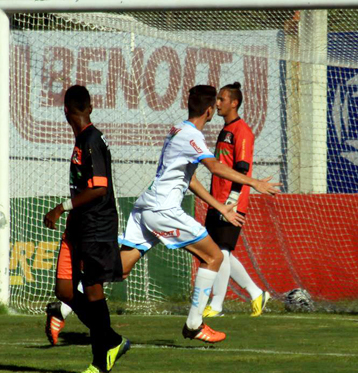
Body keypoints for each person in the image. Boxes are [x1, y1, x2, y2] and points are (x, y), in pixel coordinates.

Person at [47, 85, 280, 345]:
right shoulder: (192, 136)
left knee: (119, 269)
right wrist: (254, 182)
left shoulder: (177, 129)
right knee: (213, 256)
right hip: (163, 210)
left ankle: (63, 308)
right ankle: (194, 324)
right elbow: (214, 168)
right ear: (210, 110)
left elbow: (187, 180)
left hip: (147, 207)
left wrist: (220, 205)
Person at [43, 85, 130, 373]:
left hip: (96, 226)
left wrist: (61, 207)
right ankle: (112, 339)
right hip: (78, 227)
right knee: (65, 290)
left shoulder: (91, 140)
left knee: (93, 291)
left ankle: (100, 362)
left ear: (66, 111)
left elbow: (100, 187)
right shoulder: (83, 139)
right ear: (89, 107)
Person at [201, 82, 270, 318]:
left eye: (222, 99)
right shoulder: (225, 129)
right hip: (217, 200)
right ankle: (255, 292)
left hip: (231, 202)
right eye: (217, 99)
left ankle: (217, 304)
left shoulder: (242, 131)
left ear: (234, 103)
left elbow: (242, 167)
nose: (217, 103)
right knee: (221, 252)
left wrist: (233, 197)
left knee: (221, 251)